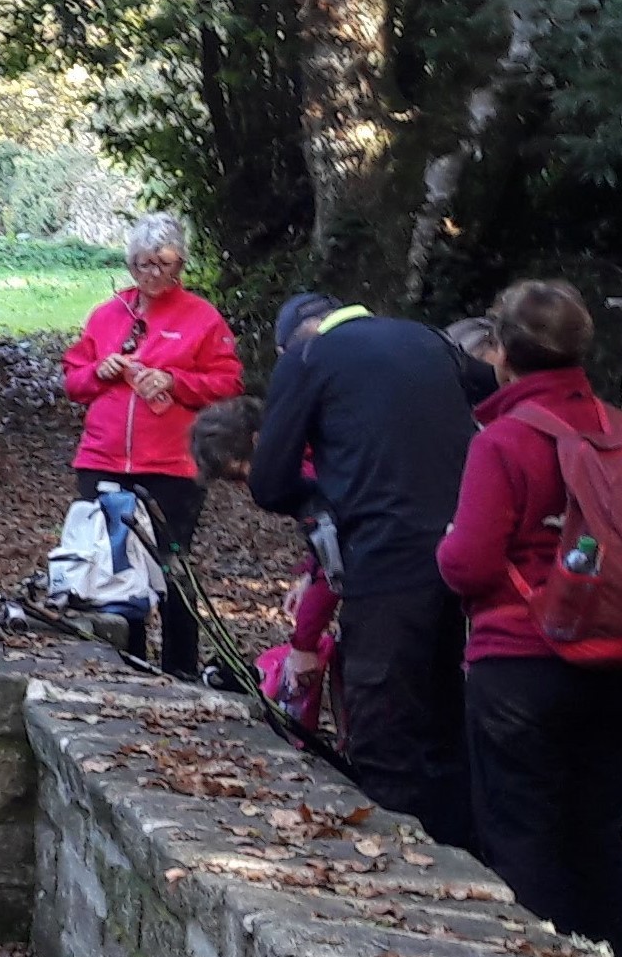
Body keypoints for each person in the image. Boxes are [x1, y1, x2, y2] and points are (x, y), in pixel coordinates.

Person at [437, 281, 622, 957]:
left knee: (522, 831)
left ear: (501, 353)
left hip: (522, 662)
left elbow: (468, 564)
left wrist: (444, 544)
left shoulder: (504, 439)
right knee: (595, 828)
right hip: (620, 658)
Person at [250, 293, 484, 846]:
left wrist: (322, 501)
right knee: (442, 715)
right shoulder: (432, 341)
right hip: (459, 559)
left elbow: (269, 480)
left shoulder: (308, 360)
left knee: (381, 728)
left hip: (382, 561)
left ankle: (399, 869)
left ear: (294, 339)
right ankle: (464, 859)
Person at [62, 213, 246, 677]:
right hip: (103, 459)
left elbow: (228, 382)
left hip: (172, 465)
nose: (153, 274)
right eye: (143, 264)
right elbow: (73, 380)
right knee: (111, 566)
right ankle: (129, 663)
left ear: (180, 263)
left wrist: (175, 380)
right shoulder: (107, 315)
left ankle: (181, 669)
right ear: (130, 264)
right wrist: (97, 372)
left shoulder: (201, 317)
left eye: (164, 264)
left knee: (171, 566)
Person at [191, 395, 339, 734]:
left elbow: (334, 554)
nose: (252, 485)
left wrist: (303, 644)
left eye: (243, 472)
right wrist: (307, 573)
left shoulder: (311, 471)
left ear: (259, 442)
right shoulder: (316, 452)